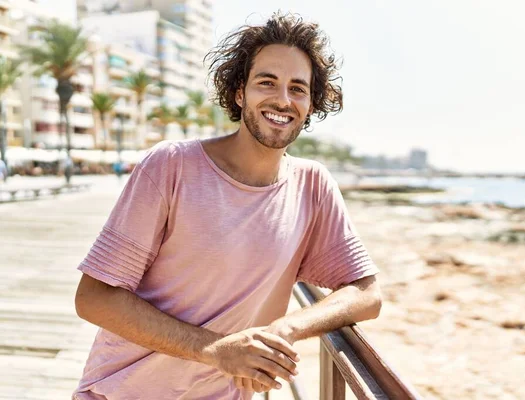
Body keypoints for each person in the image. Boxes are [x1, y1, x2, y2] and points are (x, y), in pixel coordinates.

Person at [73, 12, 381, 400]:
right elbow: (94, 297)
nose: (282, 100)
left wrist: (284, 329)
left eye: (297, 88)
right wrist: (216, 350)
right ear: (239, 92)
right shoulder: (171, 165)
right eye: (266, 82)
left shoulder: (313, 185)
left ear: (310, 103)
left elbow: (367, 293)